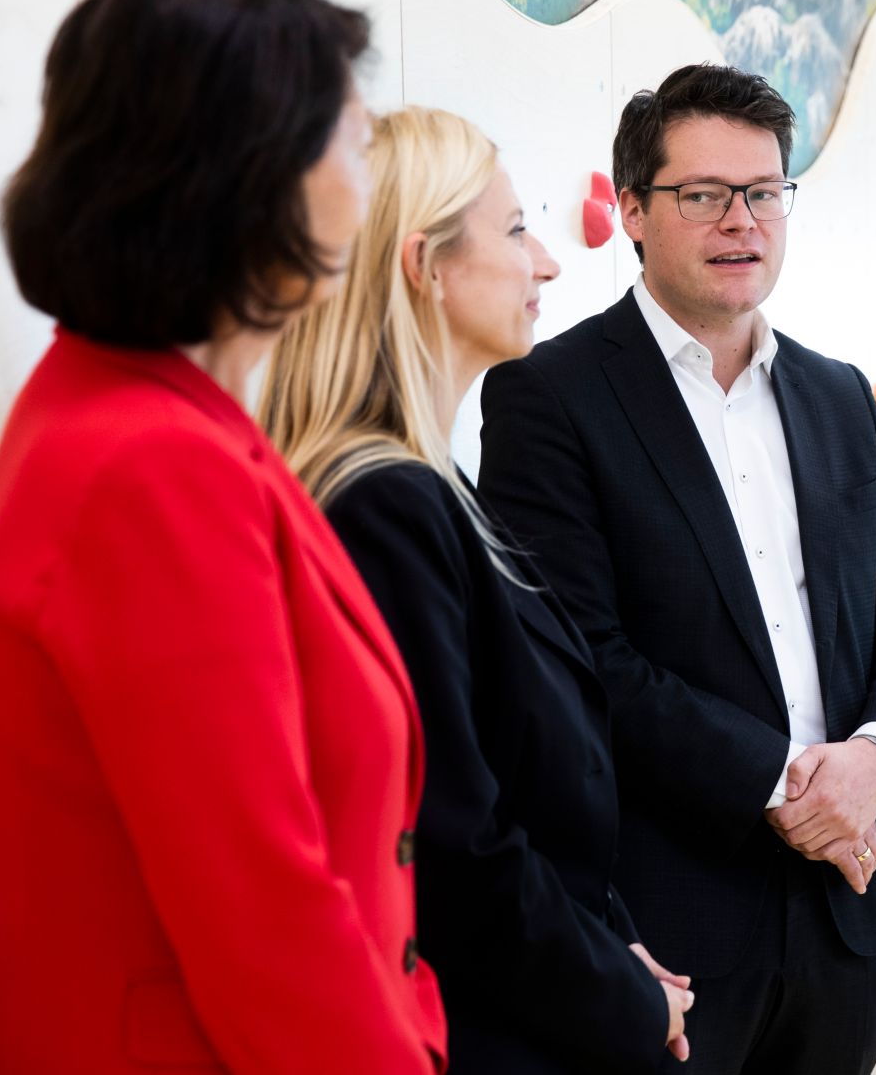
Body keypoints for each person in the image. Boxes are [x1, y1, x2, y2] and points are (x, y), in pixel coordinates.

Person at [0, 0, 445, 1073]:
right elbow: (263, 910)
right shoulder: (150, 465)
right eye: (352, 135)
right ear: (248, 169)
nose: (370, 168)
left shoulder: (155, 416)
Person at [477, 63, 876, 1075]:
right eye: (703, 195)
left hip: (847, 915)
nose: (741, 220)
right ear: (637, 212)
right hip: (667, 926)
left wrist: (875, 757)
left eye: (764, 192)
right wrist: (779, 785)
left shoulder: (836, 398)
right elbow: (580, 661)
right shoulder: (548, 397)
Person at [261, 105, 695, 1072]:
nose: (544, 261)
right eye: (512, 229)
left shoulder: (433, 486)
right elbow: (457, 845)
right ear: (426, 267)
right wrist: (624, 991)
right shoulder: (386, 505)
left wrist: (621, 952)